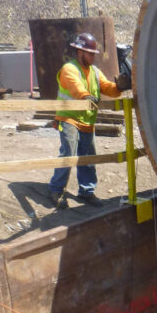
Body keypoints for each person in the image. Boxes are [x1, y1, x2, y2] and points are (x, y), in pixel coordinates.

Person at [48, 33, 132, 208]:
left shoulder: (94, 71)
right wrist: (86, 96)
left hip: (87, 121)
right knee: (69, 154)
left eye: (94, 53)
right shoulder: (69, 69)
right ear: (80, 52)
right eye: (90, 53)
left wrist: (119, 87)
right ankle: (56, 190)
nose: (93, 57)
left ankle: (87, 191)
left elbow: (107, 87)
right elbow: (76, 88)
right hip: (68, 118)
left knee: (88, 157)